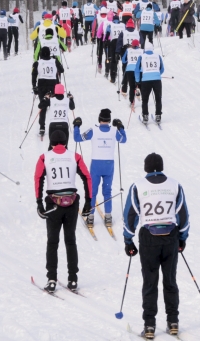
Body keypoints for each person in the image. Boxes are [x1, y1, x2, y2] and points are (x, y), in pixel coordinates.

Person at [123, 153, 190, 340]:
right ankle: (173, 322)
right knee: (170, 280)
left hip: (149, 238)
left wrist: (128, 240)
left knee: (150, 282)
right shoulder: (175, 185)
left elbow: (130, 214)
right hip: (170, 238)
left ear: (146, 168)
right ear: (161, 167)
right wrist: (182, 238)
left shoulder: (137, 186)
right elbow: (183, 215)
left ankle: (150, 326)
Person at [35, 129, 92, 294]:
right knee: (70, 240)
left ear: (51, 143)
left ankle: (51, 279)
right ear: (66, 142)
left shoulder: (44, 157)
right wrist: (88, 201)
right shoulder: (75, 156)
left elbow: (38, 178)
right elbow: (86, 177)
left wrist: (39, 202)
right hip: (72, 203)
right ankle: (73, 279)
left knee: (52, 242)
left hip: (53, 203)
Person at [73, 108, 127, 228]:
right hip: (109, 165)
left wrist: (76, 125)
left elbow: (77, 138)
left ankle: (90, 218)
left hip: (96, 165)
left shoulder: (93, 130)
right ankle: (108, 217)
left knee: (93, 191)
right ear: (109, 120)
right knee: (107, 191)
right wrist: (120, 127)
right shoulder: (114, 131)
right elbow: (123, 140)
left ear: (99, 119)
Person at [135, 42, 164, 124]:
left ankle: (145, 116)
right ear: (152, 49)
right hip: (157, 80)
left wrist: (137, 80)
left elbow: (137, 69)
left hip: (145, 80)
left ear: (145, 49)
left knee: (145, 99)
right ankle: (158, 115)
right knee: (158, 98)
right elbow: (162, 69)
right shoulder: (157, 56)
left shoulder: (142, 56)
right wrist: (157, 74)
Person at [121, 39, 143, 108]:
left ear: (132, 45)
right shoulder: (142, 51)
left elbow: (123, 60)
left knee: (131, 86)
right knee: (139, 83)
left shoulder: (128, 50)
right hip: (139, 69)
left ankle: (132, 102)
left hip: (130, 69)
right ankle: (138, 92)